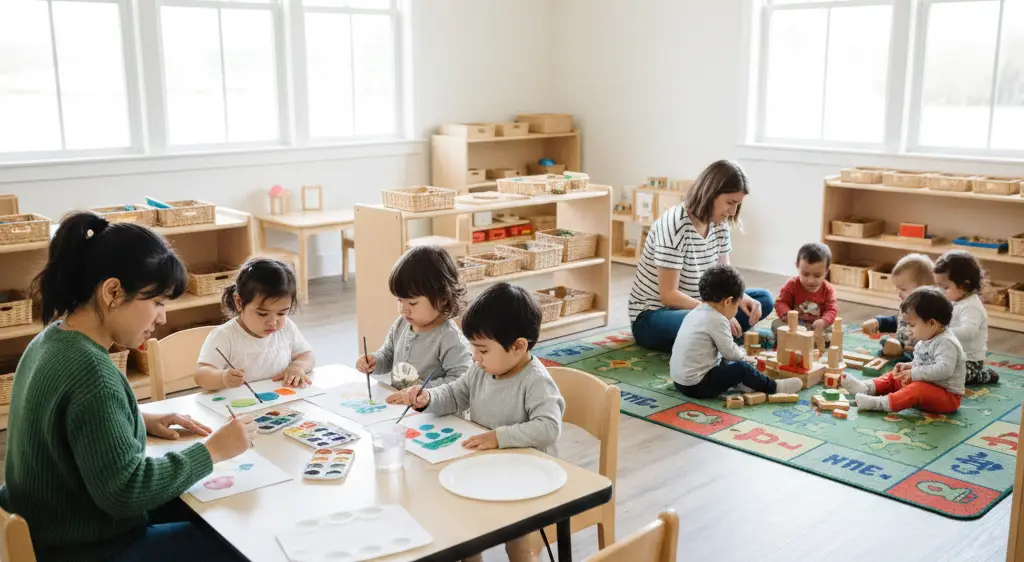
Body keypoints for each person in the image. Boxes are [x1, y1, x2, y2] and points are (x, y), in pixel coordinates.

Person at [0, 211, 254, 561]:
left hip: (46, 528)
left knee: (206, 508)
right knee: (242, 541)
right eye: (157, 302)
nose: (162, 317)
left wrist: (136, 420)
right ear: (113, 291)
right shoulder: (92, 371)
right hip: (87, 548)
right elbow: (126, 492)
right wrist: (212, 451)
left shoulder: (50, 340)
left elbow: (64, 428)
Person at [388, 282, 564, 562]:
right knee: (462, 527)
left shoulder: (536, 382)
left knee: (520, 546)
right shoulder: (482, 369)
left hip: (526, 479)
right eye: (473, 349)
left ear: (519, 346)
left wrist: (498, 437)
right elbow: (457, 393)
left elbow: (548, 427)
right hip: (486, 467)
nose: (475, 358)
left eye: (482, 350)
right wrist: (429, 398)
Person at [628, 160, 772, 352]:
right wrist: (715, 314)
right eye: (730, 203)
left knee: (762, 299)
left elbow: (725, 277)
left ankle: (708, 337)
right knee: (707, 321)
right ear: (710, 194)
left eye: (738, 204)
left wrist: (741, 297)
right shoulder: (674, 224)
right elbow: (669, 296)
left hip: (703, 306)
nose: (733, 211)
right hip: (654, 316)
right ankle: (713, 336)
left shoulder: (720, 223)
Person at [670, 265, 803, 398]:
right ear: (728, 301)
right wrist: (743, 356)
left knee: (725, 362)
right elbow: (730, 353)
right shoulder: (717, 319)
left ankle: (744, 383)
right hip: (697, 386)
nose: (736, 311)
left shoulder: (694, 312)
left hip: (679, 382)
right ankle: (774, 387)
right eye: (737, 305)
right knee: (741, 368)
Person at [357, 245, 473, 389]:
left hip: (434, 410)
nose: (403, 311)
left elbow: (462, 380)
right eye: (399, 300)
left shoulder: (449, 337)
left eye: (412, 303)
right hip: (401, 407)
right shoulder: (402, 324)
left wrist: (423, 390)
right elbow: (388, 355)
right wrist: (374, 361)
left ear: (442, 297)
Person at [195, 257, 315, 390]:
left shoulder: (287, 328)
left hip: (280, 401)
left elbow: (307, 355)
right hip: (239, 405)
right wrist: (222, 378)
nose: (273, 322)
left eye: (281, 313)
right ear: (239, 303)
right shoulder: (224, 336)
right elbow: (201, 375)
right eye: (262, 314)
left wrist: (297, 366)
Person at [843, 287, 965, 413]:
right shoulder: (926, 338)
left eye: (912, 325)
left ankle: (879, 404)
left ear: (932, 323)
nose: (908, 329)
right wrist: (909, 366)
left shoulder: (947, 343)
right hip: (927, 385)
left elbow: (944, 370)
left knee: (917, 389)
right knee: (895, 376)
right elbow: (924, 364)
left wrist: (914, 373)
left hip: (947, 397)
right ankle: (866, 388)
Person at [934, 250, 999, 384]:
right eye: (938, 286)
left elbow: (969, 331)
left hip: (970, 360)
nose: (940, 291)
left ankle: (983, 375)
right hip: (951, 354)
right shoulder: (953, 300)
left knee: (950, 377)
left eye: (945, 287)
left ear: (964, 285)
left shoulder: (971, 306)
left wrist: (942, 332)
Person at [861, 253, 935, 358]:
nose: (899, 293)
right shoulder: (907, 304)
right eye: (898, 288)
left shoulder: (931, 311)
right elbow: (899, 322)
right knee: (886, 343)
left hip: (919, 355)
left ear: (925, 288)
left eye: (903, 289)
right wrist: (879, 322)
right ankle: (894, 350)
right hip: (901, 345)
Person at [771, 243, 838, 345]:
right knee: (776, 324)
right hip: (795, 324)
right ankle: (799, 339)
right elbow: (781, 302)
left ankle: (811, 340)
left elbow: (831, 310)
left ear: (826, 271)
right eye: (805, 274)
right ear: (797, 266)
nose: (810, 281)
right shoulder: (792, 285)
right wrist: (787, 314)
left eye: (817, 275)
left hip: (816, 325)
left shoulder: (828, 290)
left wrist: (823, 321)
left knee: (833, 332)